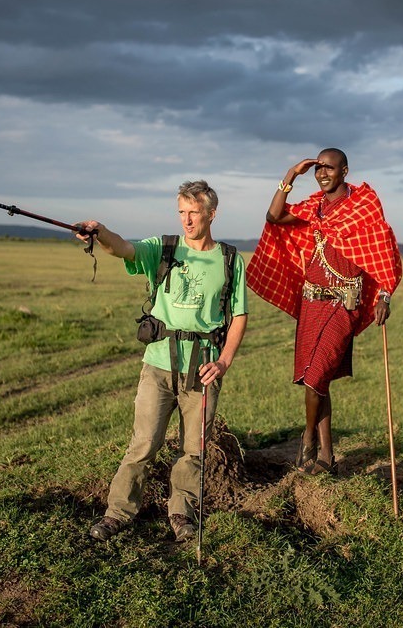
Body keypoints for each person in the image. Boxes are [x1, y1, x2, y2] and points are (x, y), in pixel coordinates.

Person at [77, 180, 248, 542]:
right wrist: (100, 231)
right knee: (143, 444)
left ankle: (182, 515)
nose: (187, 220)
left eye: (194, 213)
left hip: (203, 368)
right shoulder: (163, 247)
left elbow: (238, 316)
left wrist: (225, 361)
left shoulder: (231, 259)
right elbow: (123, 248)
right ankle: (117, 513)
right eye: (182, 212)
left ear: (212, 214)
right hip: (158, 365)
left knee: (194, 450)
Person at [247, 148, 402, 475]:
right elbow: (273, 217)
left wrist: (384, 295)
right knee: (318, 383)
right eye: (318, 169)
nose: (322, 173)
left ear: (345, 170)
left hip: (343, 304)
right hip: (312, 303)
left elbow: (382, 251)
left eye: (329, 168)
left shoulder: (363, 207)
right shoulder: (313, 207)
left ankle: (308, 437)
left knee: (316, 377)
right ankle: (326, 459)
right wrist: (290, 176)